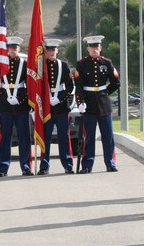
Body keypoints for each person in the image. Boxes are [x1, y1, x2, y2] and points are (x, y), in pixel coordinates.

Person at [74, 35, 120, 173]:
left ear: (101, 48)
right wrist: (80, 102)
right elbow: (79, 86)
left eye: (97, 47)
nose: (95, 49)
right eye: (92, 47)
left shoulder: (107, 63)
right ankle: (87, 165)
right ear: (88, 48)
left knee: (108, 136)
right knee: (89, 137)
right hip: (88, 104)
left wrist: (105, 92)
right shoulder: (81, 64)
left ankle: (110, 163)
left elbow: (116, 82)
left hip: (104, 104)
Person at [0, 36, 33, 177]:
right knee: (5, 138)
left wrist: (21, 100)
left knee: (24, 138)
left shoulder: (25, 64)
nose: (12, 50)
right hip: (5, 106)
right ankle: (2, 168)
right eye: (10, 48)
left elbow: (31, 87)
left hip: (21, 106)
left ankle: (26, 166)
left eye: (15, 48)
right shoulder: (1, 65)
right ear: (7, 49)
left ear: (19, 49)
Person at [37, 39, 74, 175]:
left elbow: (70, 86)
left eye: (54, 50)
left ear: (57, 51)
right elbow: (36, 86)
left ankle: (68, 164)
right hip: (46, 107)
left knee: (64, 137)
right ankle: (44, 166)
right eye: (49, 50)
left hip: (61, 106)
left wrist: (59, 98)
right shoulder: (41, 66)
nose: (51, 52)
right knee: (45, 137)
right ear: (45, 51)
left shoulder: (63, 65)